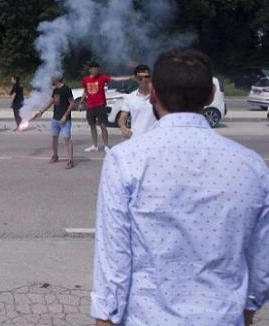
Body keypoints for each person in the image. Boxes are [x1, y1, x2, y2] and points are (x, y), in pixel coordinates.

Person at [91, 49, 268, 326]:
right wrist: (245, 314)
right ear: (211, 95)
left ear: (153, 94)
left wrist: (105, 319)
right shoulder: (251, 166)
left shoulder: (125, 160)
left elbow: (114, 264)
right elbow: (261, 263)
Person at [80, 62, 131, 152]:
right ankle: (94, 145)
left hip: (100, 105)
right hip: (91, 106)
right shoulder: (86, 79)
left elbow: (115, 79)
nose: (95, 70)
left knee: (103, 125)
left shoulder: (102, 77)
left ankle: (106, 145)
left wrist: (129, 77)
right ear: (90, 70)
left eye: (96, 69)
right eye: (93, 69)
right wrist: (81, 102)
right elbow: (85, 91)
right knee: (92, 125)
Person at [31, 73, 74, 169]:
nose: (51, 79)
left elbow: (72, 104)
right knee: (54, 138)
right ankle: (55, 156)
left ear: (57, 79)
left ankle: (70, 160)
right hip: (55, 119)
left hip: (65, 120)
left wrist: (65, 116)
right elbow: (51, 101)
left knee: (67, 139)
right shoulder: (55, 90)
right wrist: (41, 112)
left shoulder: (66, 89)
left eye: (52, 77)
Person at [118, 64, 155, 139]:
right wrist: (123, 127)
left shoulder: (160, 96)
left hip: (155, 139)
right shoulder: (130, 97)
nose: (144, 80)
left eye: (146, 77)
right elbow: (123, 116)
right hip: (136, 139)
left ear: (150, 78)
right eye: (140, 78)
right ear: (136, 79)